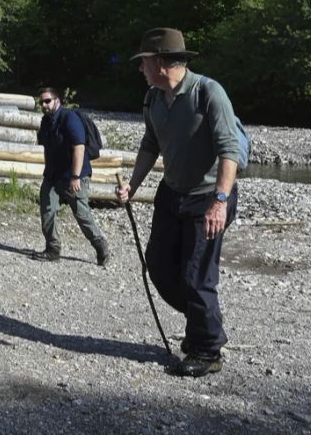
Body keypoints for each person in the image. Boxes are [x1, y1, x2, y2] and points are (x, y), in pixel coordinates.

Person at [115, 27, 240, 378]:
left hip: (207, 198)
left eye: (143, 63)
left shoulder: (208, 93)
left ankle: (207, 349)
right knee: (157, 264)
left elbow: (230, 150)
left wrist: (220, 201)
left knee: (196, 275)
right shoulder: (154, 100)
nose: (140, 70)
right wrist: (133, 186)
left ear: (159, 63)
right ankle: (204, 322)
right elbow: (150, 145)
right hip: (171, 194)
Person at [32, 87, 110, 265]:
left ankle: (100, 245)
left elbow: (79, 148)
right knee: (47, 210)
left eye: (47, 101)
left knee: (82, 214)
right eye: (41, 102)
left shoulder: (69, 118)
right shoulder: (46, 121)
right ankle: (53, 249)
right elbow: (47, 148)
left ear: (57, 101)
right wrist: (47, 170)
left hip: (74, 176)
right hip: (53, 175)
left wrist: (75, 177)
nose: (44, 105)